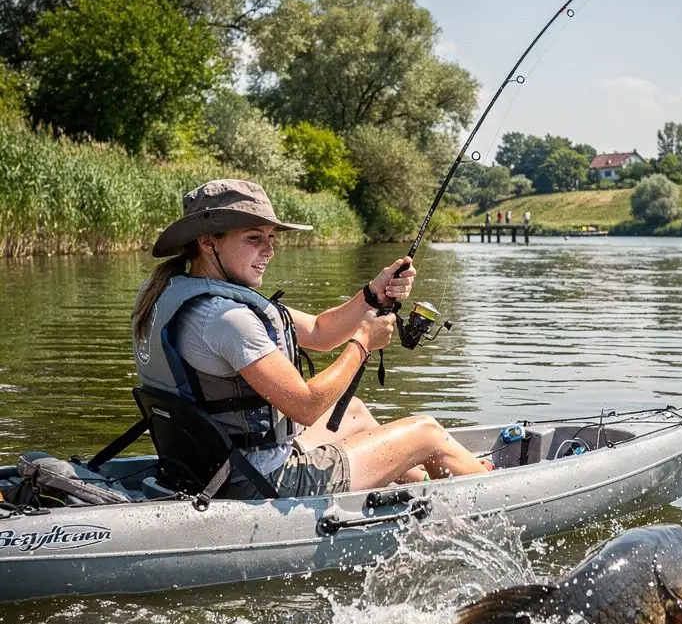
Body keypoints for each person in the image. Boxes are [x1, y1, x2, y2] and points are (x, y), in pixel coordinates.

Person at [133, 179, 491, 498]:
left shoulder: (170, 292)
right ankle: (492, 496)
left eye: (271, 239)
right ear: (208, 242)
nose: (269, 250)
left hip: (217, 466)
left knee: (352, 412)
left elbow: (320, 332)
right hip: (262, 480)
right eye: (254, 239)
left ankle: (423, 493)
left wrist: (372, 293)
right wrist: (363, 343)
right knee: (426, 432)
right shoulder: (227, 319)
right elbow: (305, 406)